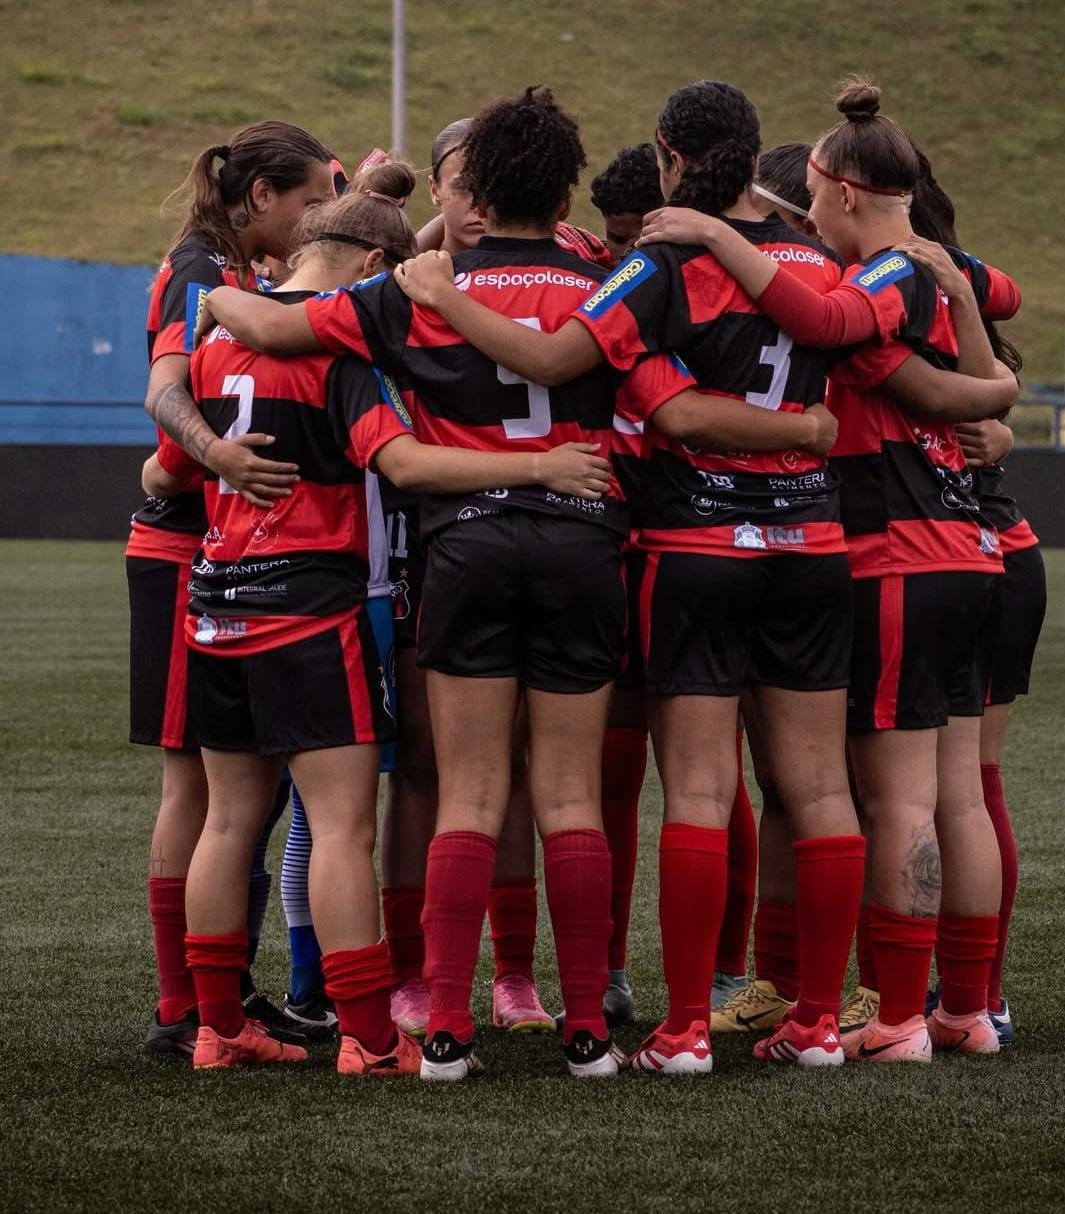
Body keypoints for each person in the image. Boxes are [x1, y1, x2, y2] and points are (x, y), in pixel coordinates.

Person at [198, 85, 802, 1079]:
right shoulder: (608, 280)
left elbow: (275, 331)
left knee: (469, 793)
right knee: (568, 793)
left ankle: (441, 1028)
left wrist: (214, 292)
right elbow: (672, 394)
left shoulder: (416, 287)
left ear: (469, 189)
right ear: (563, 191)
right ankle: (583, 1027)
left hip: (466, 546)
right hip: (582, 543)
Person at [142, 164, 612, 1073]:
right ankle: (366, 1036)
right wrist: (538, 467)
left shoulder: (216, 334)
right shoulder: (338, 353)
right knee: (343, 827)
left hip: (217, 605)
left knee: (228, 821)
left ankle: (214, 1027)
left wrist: (223, 462)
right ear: (364, 260)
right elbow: (405, 466)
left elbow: (164, 472)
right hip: (309, 612)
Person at [638, 79, 1021, 1061]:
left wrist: (724, 241)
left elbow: (836, 330)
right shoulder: (929, 269)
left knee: (882, 794)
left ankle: (893, 1011)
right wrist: (996, 372)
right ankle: (963, 1006)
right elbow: (983, 345)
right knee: (954, 791)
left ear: (839, 191)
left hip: (893, 552)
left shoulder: (870, 285)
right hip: (974, 548)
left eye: (809, 205)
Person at [132, 121, 334, 1055]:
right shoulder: (197, 266)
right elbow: (165, 392)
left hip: (220, 548)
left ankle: (224, 998)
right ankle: (185, 1010)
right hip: (186, 552)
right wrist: (214, 456)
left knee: (231, 796)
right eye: (305, 203)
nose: (311, 221)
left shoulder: (243, 270)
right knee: (195, 789)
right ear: (261, 198)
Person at [384, 119, 555, 1038]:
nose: (473, 203)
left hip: (509, 536)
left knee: (519, 766)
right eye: (456, 184)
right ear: (441, 192)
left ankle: (516, 977)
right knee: (422, 763)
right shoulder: (405, 288)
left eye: (484, 185)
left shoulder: (547, 266)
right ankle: (411, 973)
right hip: (426, 542)